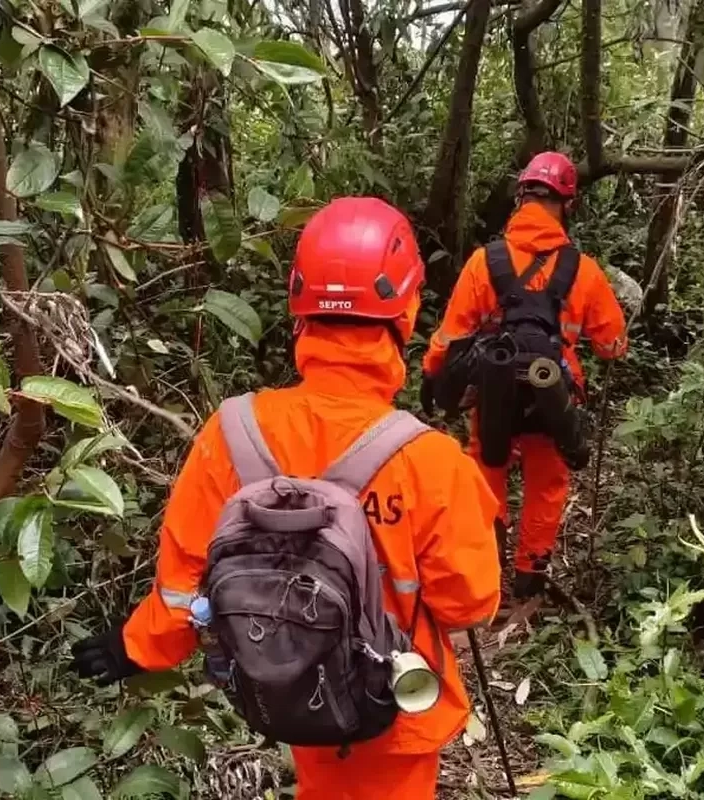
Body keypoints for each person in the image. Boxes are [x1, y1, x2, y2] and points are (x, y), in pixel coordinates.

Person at [72, 197, 502, 800]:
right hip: (392, 711)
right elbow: (470, 604)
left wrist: (134, 646)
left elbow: (181, 585)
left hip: (287, 681)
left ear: (298, 306)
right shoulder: (432, 460)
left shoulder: (233, 432)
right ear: (405, 314)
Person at [421, 152, 628, 599]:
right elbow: (613, 346)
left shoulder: (485, 262)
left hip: (495, 387)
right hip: (553, 391)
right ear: (567, 204)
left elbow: (452, 333)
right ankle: (530, 573)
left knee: (487, 465)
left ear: (521, 197)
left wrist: (430, 372)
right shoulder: (584, 270)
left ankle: (488, 560)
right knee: (548, 481)